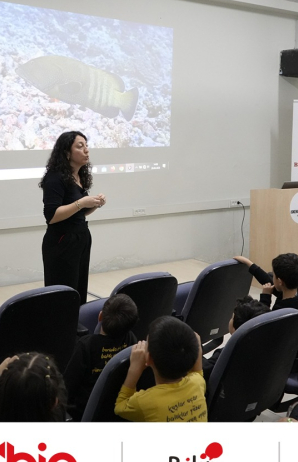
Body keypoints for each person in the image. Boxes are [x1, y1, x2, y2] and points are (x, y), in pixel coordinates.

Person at [40, 131, 106, 304]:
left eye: (86, 146)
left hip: (81, 237)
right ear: (67, 153)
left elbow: (78, 213)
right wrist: (82, 202)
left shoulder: (78, 176)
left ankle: (78, 319)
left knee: (79, 289)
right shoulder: (54, 178)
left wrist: (95, 204)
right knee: (63, 295)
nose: (86, 150)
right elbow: (52, 216)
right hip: (62, 241)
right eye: (80, 146)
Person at [114, 317, 207, 422]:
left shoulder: (146, 402)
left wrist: (134, 369)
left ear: (148, 358)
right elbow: (197, 372)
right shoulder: (198, 382)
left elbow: (120, 407)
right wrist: (197, 348)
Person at [64, 294, 139, 420]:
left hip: (84, 412)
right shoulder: (131, 340)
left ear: (100, 316)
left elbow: (67, 387)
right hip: (114, 408)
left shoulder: (86, 346)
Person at [234, 253, 298, 354]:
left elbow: (261, 324)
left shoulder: (280, 312)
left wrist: (266, 296)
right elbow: (268, 281)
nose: (272, 277)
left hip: (281, 354)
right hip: (297, 350)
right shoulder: (296, 295)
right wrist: (249, 263)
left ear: (280, 281)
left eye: (274, 275)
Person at [202, 295, 269, 380]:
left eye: (232, 317)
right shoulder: (267, 352)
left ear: (236, 329)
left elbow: (203, 372)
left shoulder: (225, 354)